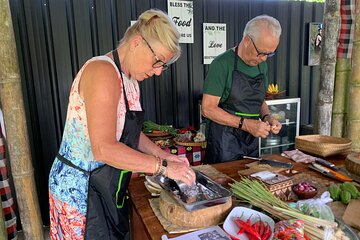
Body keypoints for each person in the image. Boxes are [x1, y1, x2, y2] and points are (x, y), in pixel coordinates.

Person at [48, 9, 196, 240]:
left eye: (163, 66)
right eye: (158, 62)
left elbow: (130, 132)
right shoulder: (103, 72)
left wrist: (165, 156)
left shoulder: (130, 79)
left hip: (105, 184)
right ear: (137, 42)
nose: (158, 72)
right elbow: (104, 148)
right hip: (81, 189)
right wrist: (163, 167)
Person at [202, 15, 282, 164]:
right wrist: (245, 124)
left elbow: (259, 100)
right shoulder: (221, 64)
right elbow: (207, 109)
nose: (264, 59)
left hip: (251, 141)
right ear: (246, 41)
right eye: (262, 53)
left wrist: (267, 117)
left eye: (270, 53)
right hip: (224, 143)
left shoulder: (261, 65)